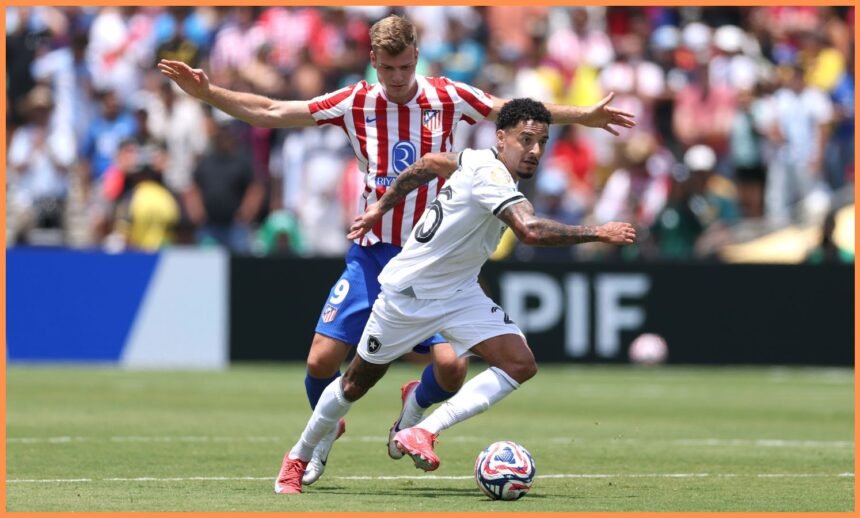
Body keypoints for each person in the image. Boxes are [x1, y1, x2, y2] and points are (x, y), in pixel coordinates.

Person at [158, 14, 635, 485]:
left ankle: (413, 418)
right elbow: (273, 111)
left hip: (440, 259)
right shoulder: (355, 101)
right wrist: (208, 94)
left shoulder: (448, 95)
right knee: (322, 363)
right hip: (376, 255)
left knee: (451, 369)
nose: (398, 79)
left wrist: (584, 116)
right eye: (388, 70)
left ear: (417, 59)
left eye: (405, 68)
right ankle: (317, 443)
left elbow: (513, 112)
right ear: (373, 62)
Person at [274, 98, 636, 494]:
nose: (534, 150)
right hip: (408, 293)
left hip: (459, 291)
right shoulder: (492, 177)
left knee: (520, 363)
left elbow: (428, 163)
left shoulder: (477, 160)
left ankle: (422, 429)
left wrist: (382, 205)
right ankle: (298, 455)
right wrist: (598, 232)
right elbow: (530, 231)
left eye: (542, 141)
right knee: (355, 384)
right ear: (501, 137)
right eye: (525, 139)